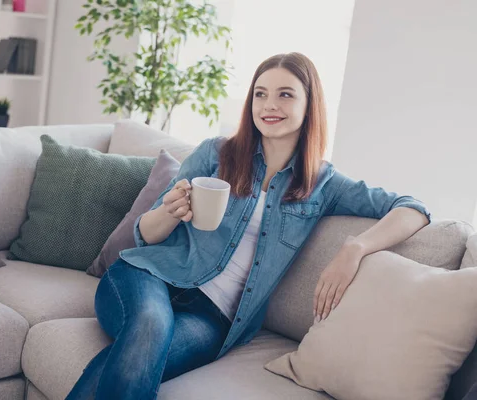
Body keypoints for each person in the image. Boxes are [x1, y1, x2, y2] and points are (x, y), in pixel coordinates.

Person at [66, 52, 431, 400]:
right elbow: (146, 234)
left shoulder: (323, 183)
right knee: (150, 327)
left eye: (285, 94)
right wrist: (171, 211)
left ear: (309, 105)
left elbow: (412, 208)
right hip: (147, 278)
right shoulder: (216, 153)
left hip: (213, 319)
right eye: (261, 94)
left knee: (138, 354)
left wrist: (356, 248)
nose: (269, 105)